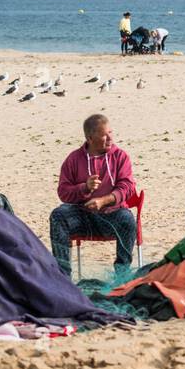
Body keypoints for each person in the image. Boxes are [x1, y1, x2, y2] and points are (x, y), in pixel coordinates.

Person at [49, 114, 138, 277]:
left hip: (112, 216)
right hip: (82, 217)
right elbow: (63, 192)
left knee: (127, 219)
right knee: (58, 216)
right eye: (104, 135)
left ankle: (122, 275)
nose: (110, 138)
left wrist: (104, 201)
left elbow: (128, 187)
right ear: (90, 138)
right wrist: (84, 188)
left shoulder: (120, 156)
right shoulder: (73, 159)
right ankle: (63, 277)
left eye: (111, 132)